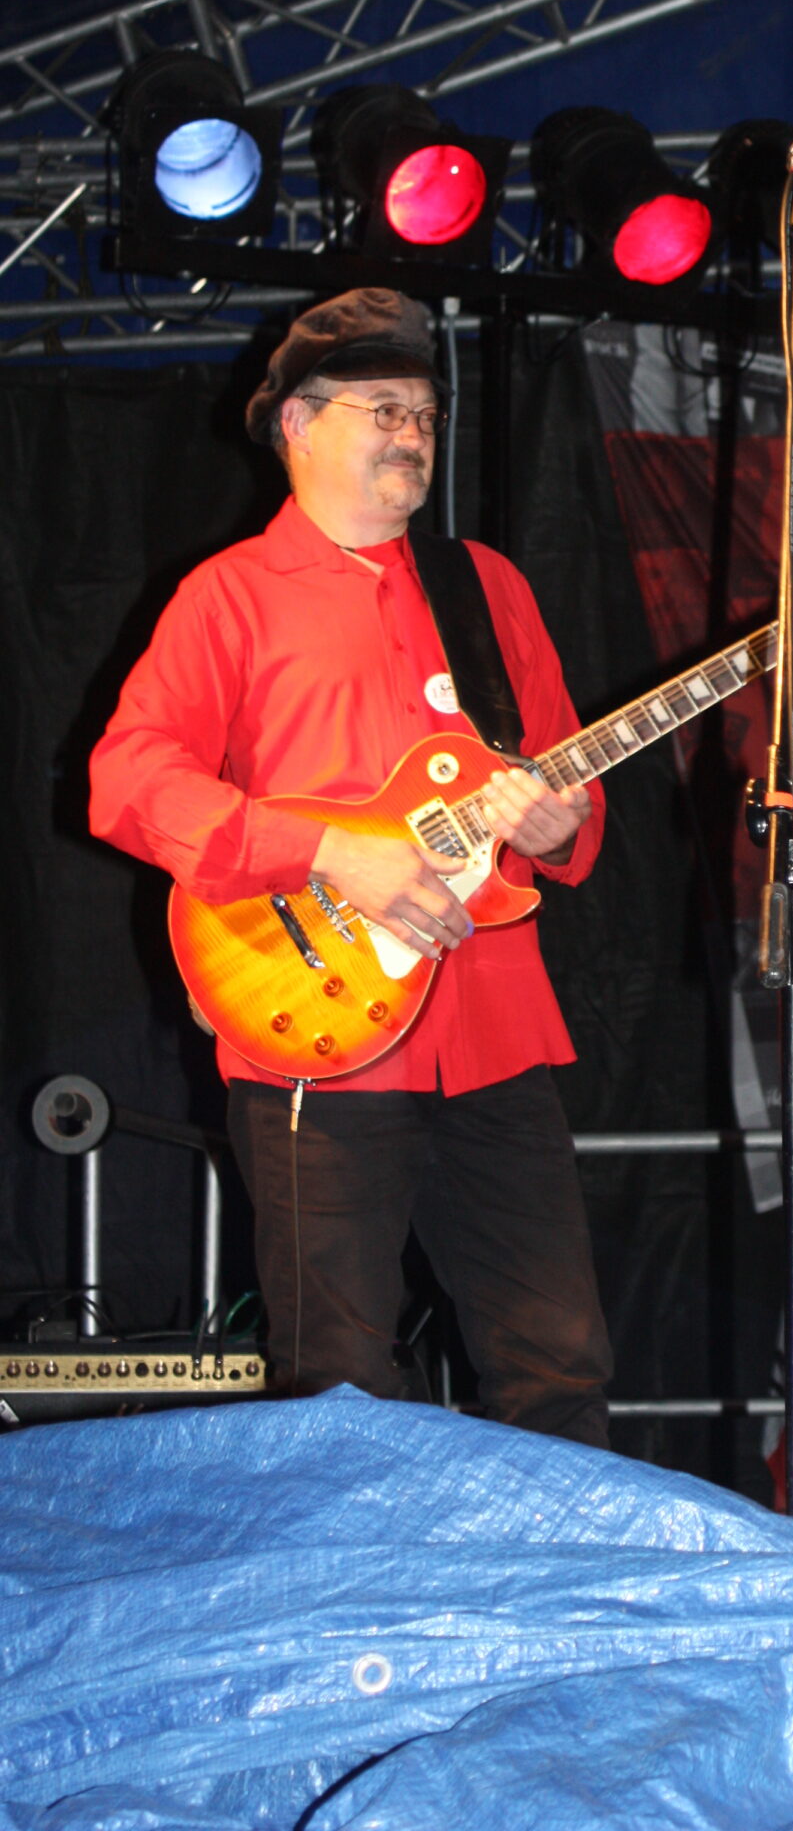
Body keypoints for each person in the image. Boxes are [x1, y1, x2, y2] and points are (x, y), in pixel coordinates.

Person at [88, 288, 613, 1443]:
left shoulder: (489, 587)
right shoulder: (227, 595)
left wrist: (556, 826)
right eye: (383, 408)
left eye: (424, 412)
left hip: (492, 1026)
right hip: (314, 1032)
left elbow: (577, 803)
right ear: (296, 421)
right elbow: (126, 780)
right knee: (338, 1383)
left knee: (560, 1360)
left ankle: (561, 1568)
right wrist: (329, 852)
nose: (412, 433)